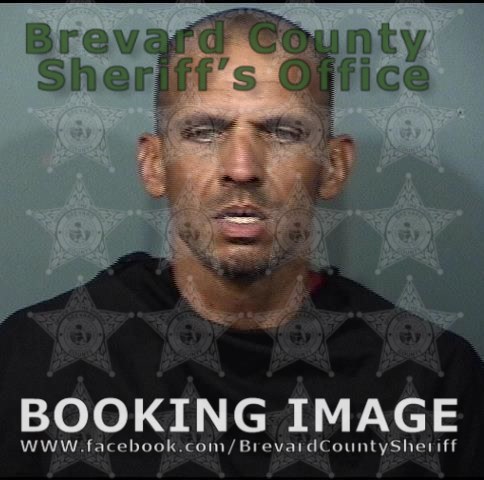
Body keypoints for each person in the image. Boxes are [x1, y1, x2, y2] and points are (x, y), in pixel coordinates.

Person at [1, 7, 483, 478]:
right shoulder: (36, 360)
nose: (242, 168)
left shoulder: (433, 379)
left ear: (334, 167)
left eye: (283, 132)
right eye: (204, 132)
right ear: (153, 165)